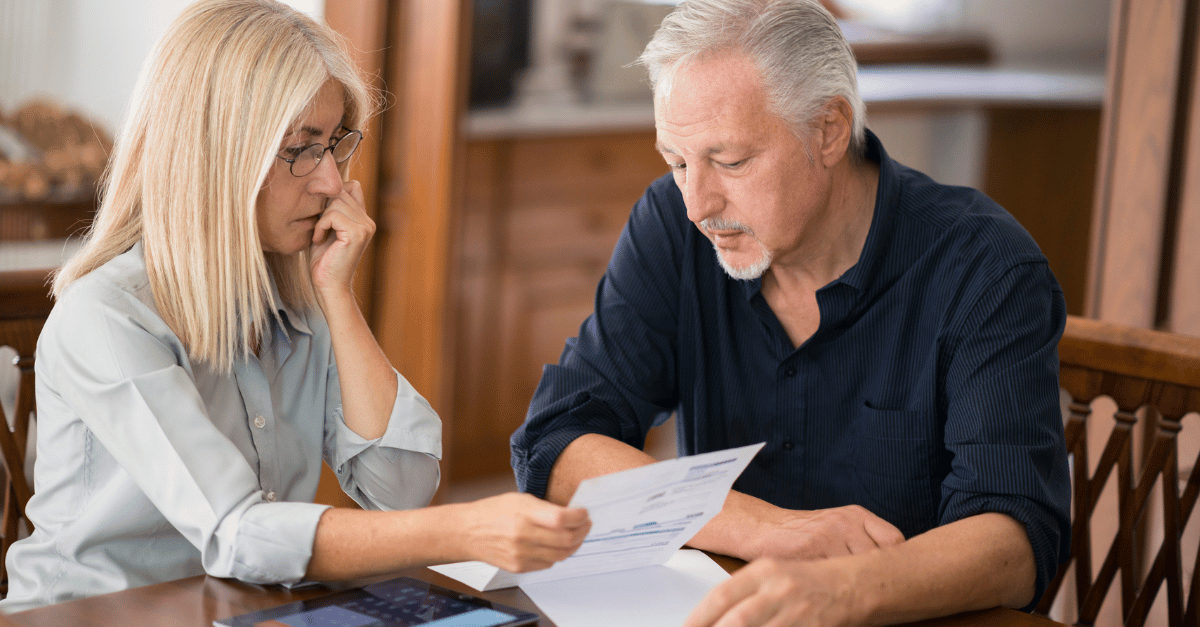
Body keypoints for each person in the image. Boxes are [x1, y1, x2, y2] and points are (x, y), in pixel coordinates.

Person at [0, 0, 590, 613]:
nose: (332, 182)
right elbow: (236, 531)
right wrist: (464, 531)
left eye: (335, 145)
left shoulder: (294, 292)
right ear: (217, 152)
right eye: (303, 148)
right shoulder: (108, 316)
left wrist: (337, 298)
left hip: (239, 610)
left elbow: (402, 492)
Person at [510, 0, 1071, 625]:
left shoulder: (984, 266)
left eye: (730, 161)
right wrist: (763, 529)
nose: (698, 203)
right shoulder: (674, 224)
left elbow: (1015, 543)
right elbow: (556, 444)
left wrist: (844, 588)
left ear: (828, 129)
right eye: (676, 162)